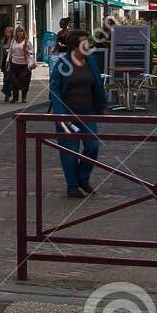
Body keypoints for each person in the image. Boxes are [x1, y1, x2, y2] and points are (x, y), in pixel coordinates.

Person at [49, 28, 108, 198]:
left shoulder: (90, 61)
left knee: (93, 147)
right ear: (75, 46)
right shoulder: (63, 64)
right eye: (85, 42)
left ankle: (83, 178)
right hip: (67, 115)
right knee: (69, 152)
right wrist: (60, 114)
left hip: (87, 113)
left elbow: (97, 84)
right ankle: (72, 186)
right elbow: (54, 88)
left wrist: (103, 105)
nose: (88, 44)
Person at [5, 25, 34, 103]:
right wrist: (8, 61)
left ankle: (24, 97)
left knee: (24, 81)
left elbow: (32, 51)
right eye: (18, 32)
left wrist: (28, 51)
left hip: (24, 65)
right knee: (14, 81)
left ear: (23, 33)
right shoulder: (13, 41)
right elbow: (10, 51)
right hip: (14, 64)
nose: (19, 33)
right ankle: (15, 97)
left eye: (21, 32)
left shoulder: (27, 42)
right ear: (16, 33)